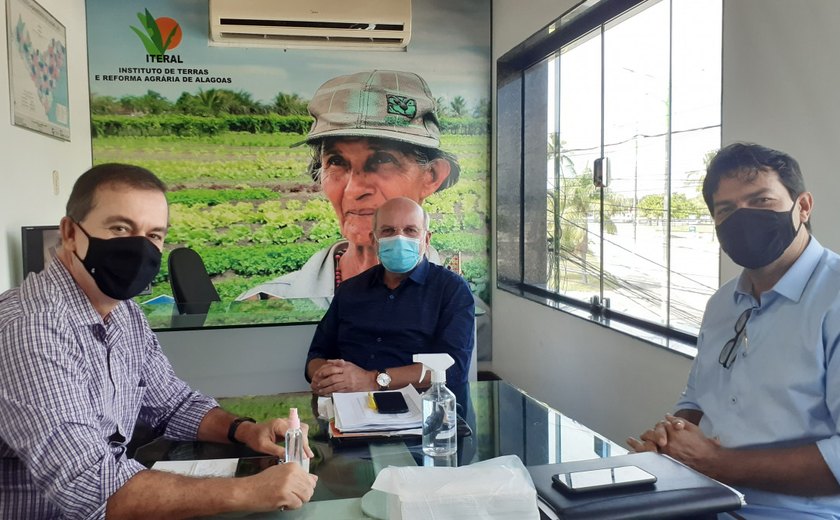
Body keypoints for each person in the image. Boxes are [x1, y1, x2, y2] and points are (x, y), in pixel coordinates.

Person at [0, 164, 317, 519]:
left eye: (154, 235)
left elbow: (173, 404)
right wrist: (248, 490)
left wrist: (245, 430)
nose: (140, 248)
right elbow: (91, 487)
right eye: (120, 228)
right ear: (71, 233)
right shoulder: (32, 329)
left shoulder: (125, 314)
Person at [627, 143, 840, 517]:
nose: (744, 219)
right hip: (701, 497)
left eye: (761, 201)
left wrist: (717, 462)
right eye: (726, 210)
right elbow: (696, 399)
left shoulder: (833, 301)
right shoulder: (723, 303)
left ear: (802, 207)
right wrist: (671, 442)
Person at [237, 69, 490, 359]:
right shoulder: (264, 303)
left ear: (431, 175)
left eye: (383, 160)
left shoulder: (470, 314)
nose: (354, 189)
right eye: (336, 161)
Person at [305, 197, 474, 406]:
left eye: (410, 230)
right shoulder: (350, 290)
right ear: (374, 240)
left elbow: (453, 367)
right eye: (388, 231)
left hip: (421, 412)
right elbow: (317, 354)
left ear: (426, 239)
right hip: (348, 406)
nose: (399, 238)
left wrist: (372, 380)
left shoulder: (451, 289)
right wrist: (325, 375)